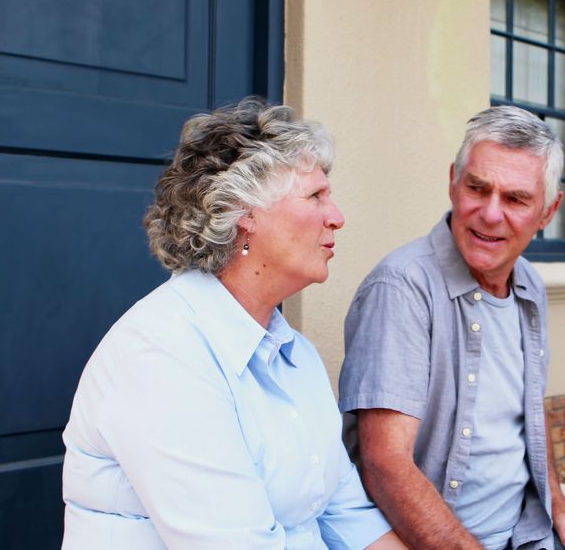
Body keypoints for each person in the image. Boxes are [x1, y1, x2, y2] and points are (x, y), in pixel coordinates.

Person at [62, 98, 404, 549]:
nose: (336, 216)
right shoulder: (162, 353)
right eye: (316, 195)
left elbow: (348, 516)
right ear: (245, 213)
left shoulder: (294, 354)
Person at [338, 106, 565, 550]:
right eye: (478, 188)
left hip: (524, 534)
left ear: (548, 211)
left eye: (516, 199)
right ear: (453, 183)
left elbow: (528, 415)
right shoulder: (401, 287)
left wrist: (557, 500)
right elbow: (385, 463)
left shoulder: (530, 286)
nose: (490, 214)